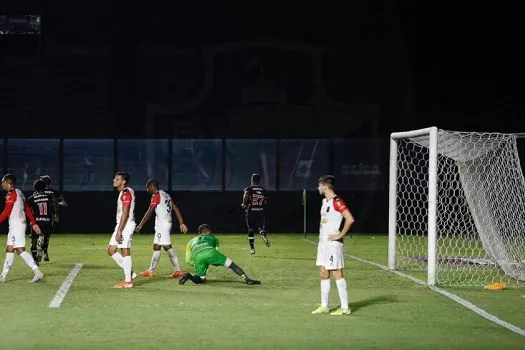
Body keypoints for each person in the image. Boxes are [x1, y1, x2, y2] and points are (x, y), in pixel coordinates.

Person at [311, 175, 355, 316]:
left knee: (336, 272)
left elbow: (350, 219)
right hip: (323, 243)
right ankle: (324, 306)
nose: (318, 188)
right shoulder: (325, 201)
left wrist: (340, 235)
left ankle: (345, 307)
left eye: (319, 185)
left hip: (333, 244)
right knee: (323, 272)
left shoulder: (337, 201)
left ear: (325, 186)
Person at [135, 179, 188, 278]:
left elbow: (150, 211)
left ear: (152, 187)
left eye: (147, 187)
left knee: (167, 246)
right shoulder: (166, 194)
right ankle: (150, 271)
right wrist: (181, 223)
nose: (147, 190)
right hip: (163, 223)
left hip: (163, 224)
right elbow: (175, 208)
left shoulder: (156, 195)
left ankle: (178, 270)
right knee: (156, 246)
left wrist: (140, 225)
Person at [179, 224, 261, 285]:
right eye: (210, 231)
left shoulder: (191, 241)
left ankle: (189, 276)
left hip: (197, 257)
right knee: (232, 265)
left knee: (201, 279)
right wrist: (214, 262)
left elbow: (188, 260)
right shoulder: (213, 237)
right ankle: (247, 279)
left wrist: (198, 264)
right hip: (210, 252)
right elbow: (216, 251)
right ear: (207, 231)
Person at [0, 174, 44, 283]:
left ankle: (37, 272)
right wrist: (33, 223)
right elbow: (27, 209)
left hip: (17, 225)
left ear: (8, 183)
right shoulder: (19, 192)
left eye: (3, 182)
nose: (2, 184)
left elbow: (6, 211)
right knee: (10, 248)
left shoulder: (12, 194)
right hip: (16, 224)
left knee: (20, 250)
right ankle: (3, 275)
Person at [107, 172, 136, 288]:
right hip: (121, 224)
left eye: (117, 179)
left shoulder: (126, 193)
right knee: (111, 250)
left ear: (123, 181)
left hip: (126, 225)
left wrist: (119, 231)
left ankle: (128, 281)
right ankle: (129, 272)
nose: (114, 180)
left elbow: (125, 214)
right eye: (114, 178)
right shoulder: (124, 192)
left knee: (124, 249)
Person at [39, 174, 68, 262]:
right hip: (49, 217)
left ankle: (39, 252)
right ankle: (44, 252)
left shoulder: (38, 192)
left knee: (40, 235)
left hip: (39, 217)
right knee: (46, 236)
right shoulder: (54, 192)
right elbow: (65, 203)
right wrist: (55, 204)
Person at [27, 179, 54, 264]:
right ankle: (42, 246)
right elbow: (54, 206)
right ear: (45, 187)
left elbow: (28, 211)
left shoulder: (31, 199)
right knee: (46, 238)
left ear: (35, 188)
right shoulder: (49, 197)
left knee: (33, 240)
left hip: (36, 222)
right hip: (47, 221)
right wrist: (55, 215)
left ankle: (35, 259)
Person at [241, 173, 269, 255]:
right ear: (259, 181)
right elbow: (266, 201)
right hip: (260, 211)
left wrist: (243, 203)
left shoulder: (249, 189)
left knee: (251, 229)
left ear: (252, 180)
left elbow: (246, 194)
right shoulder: (263, 190)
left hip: (251, 211)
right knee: (260, 227)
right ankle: (262, 233)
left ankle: (252, 248)